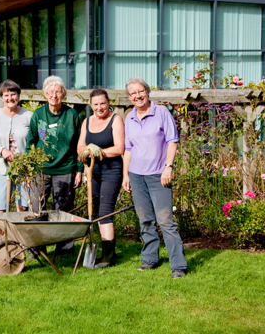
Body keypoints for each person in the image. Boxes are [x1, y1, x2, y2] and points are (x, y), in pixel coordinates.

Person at [122, 76, 187, 279]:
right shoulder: (129, 117)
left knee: (165, 220)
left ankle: (178, 265)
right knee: (145, 220)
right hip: (136, 175)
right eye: (133, 93)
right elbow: (128, 148)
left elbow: (172, 141)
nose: (137, 96)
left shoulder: (161, 112)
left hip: (158, 175)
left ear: (147, 92)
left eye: (140, 91)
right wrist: (126, 174)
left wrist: (168, 167)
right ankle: (150, 258)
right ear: (129, 97)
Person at [26, 75, 83, 255]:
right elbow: (30, 143)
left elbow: (79, 146)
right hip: (40, 170)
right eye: (51, 92)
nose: (54, 95)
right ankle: (36, 248)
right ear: (45, 94)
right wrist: (28, 170)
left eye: (58, 92)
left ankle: (64, 249)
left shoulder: (72, 115)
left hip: (65, 169)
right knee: (36, 210)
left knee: (63, 210)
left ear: (63, 94)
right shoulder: (38, 114)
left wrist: (80, 171)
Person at [76, 89, 125, 268]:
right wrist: (88, 151)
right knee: (96, 210)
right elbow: (80, 146)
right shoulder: (87, 121)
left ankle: (108, 257)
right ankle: (105, 250)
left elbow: (120, 148)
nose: (99, 107)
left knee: (105, 211)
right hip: (92, 171)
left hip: (111, 170)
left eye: (102, 103)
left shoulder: (116, 119)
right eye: (95, 104)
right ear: (91, 105)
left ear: (108, 102)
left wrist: (99, 152)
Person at [0, 80, 32, 243]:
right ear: (2, 97)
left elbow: (34, 142)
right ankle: (1, 240)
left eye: (13, 94)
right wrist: (2, 151)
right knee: (0, 207)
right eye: (6, 95)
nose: (10, 97)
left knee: (23, 206)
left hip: (24, 170)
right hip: (2, 170)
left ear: (18, 96)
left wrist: (26, 159)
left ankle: (21, 240)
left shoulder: (28, 116)